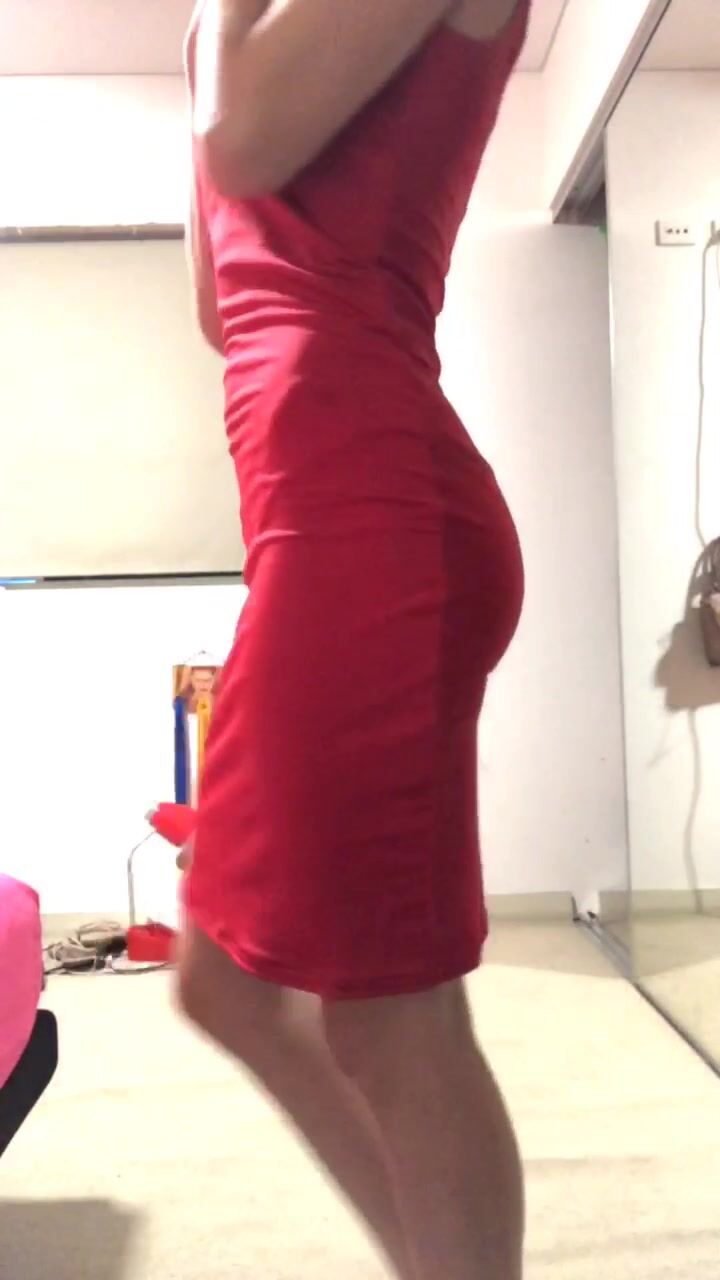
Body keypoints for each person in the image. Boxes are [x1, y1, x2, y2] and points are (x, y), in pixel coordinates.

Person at [178, 3, 529, 1278]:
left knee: (390, 1016)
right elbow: (223, 303)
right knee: (222, 984)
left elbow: (244, 139)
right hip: (311, 523)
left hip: (374, 518)